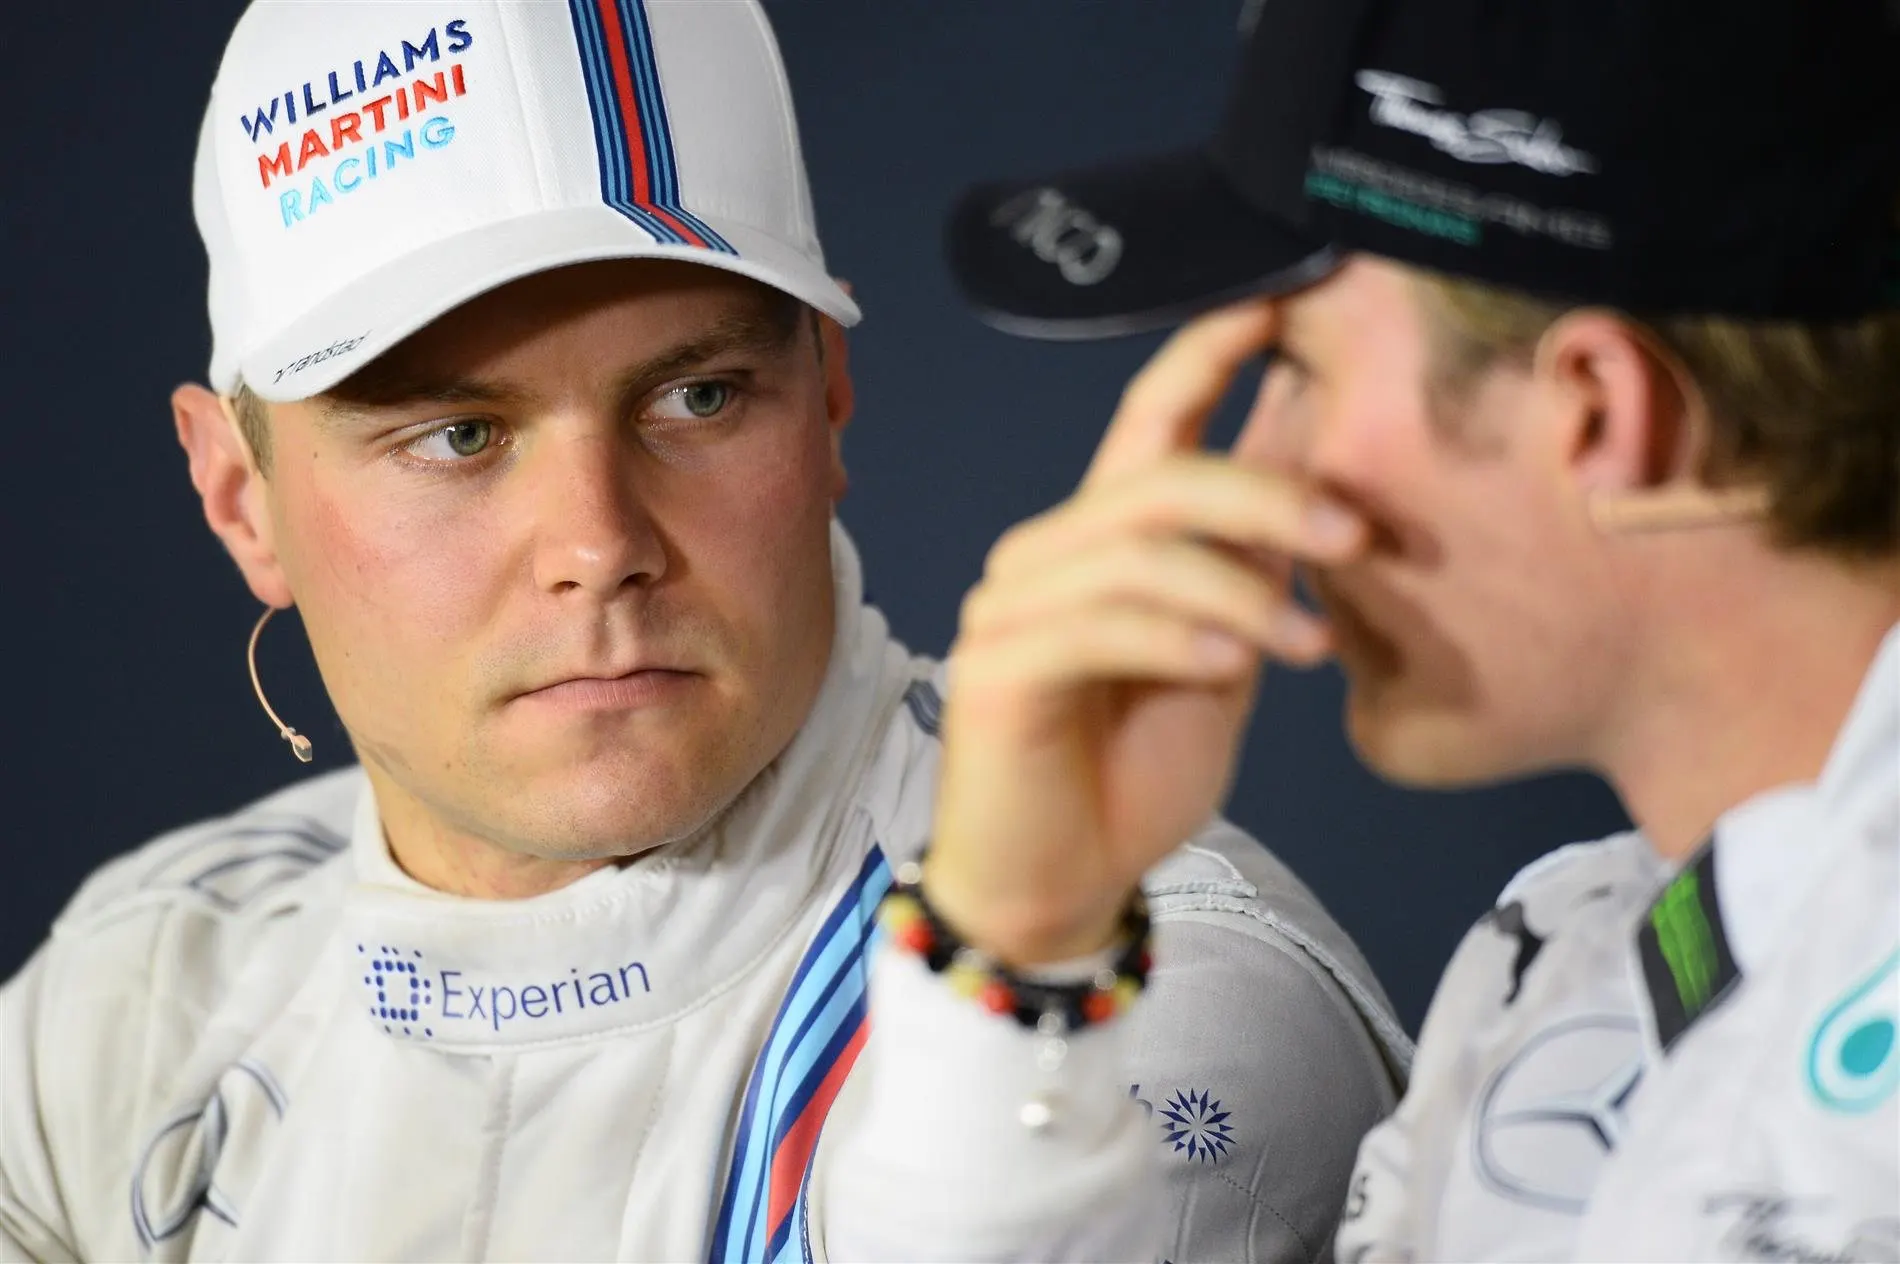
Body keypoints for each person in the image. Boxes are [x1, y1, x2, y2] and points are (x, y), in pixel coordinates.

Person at [0, 3, 1410, 1261]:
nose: (601, 545)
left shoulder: (1136, 992)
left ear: (829, 395)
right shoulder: (129, 995)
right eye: (459, 434)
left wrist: (1008, 1008)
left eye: (700, 399)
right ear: (241, 496)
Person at [934, 0, 1900, 1256]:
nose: (1254, 470)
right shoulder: (1547, 970)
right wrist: (1022, 953)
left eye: (1295, 368)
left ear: (1605, 414)